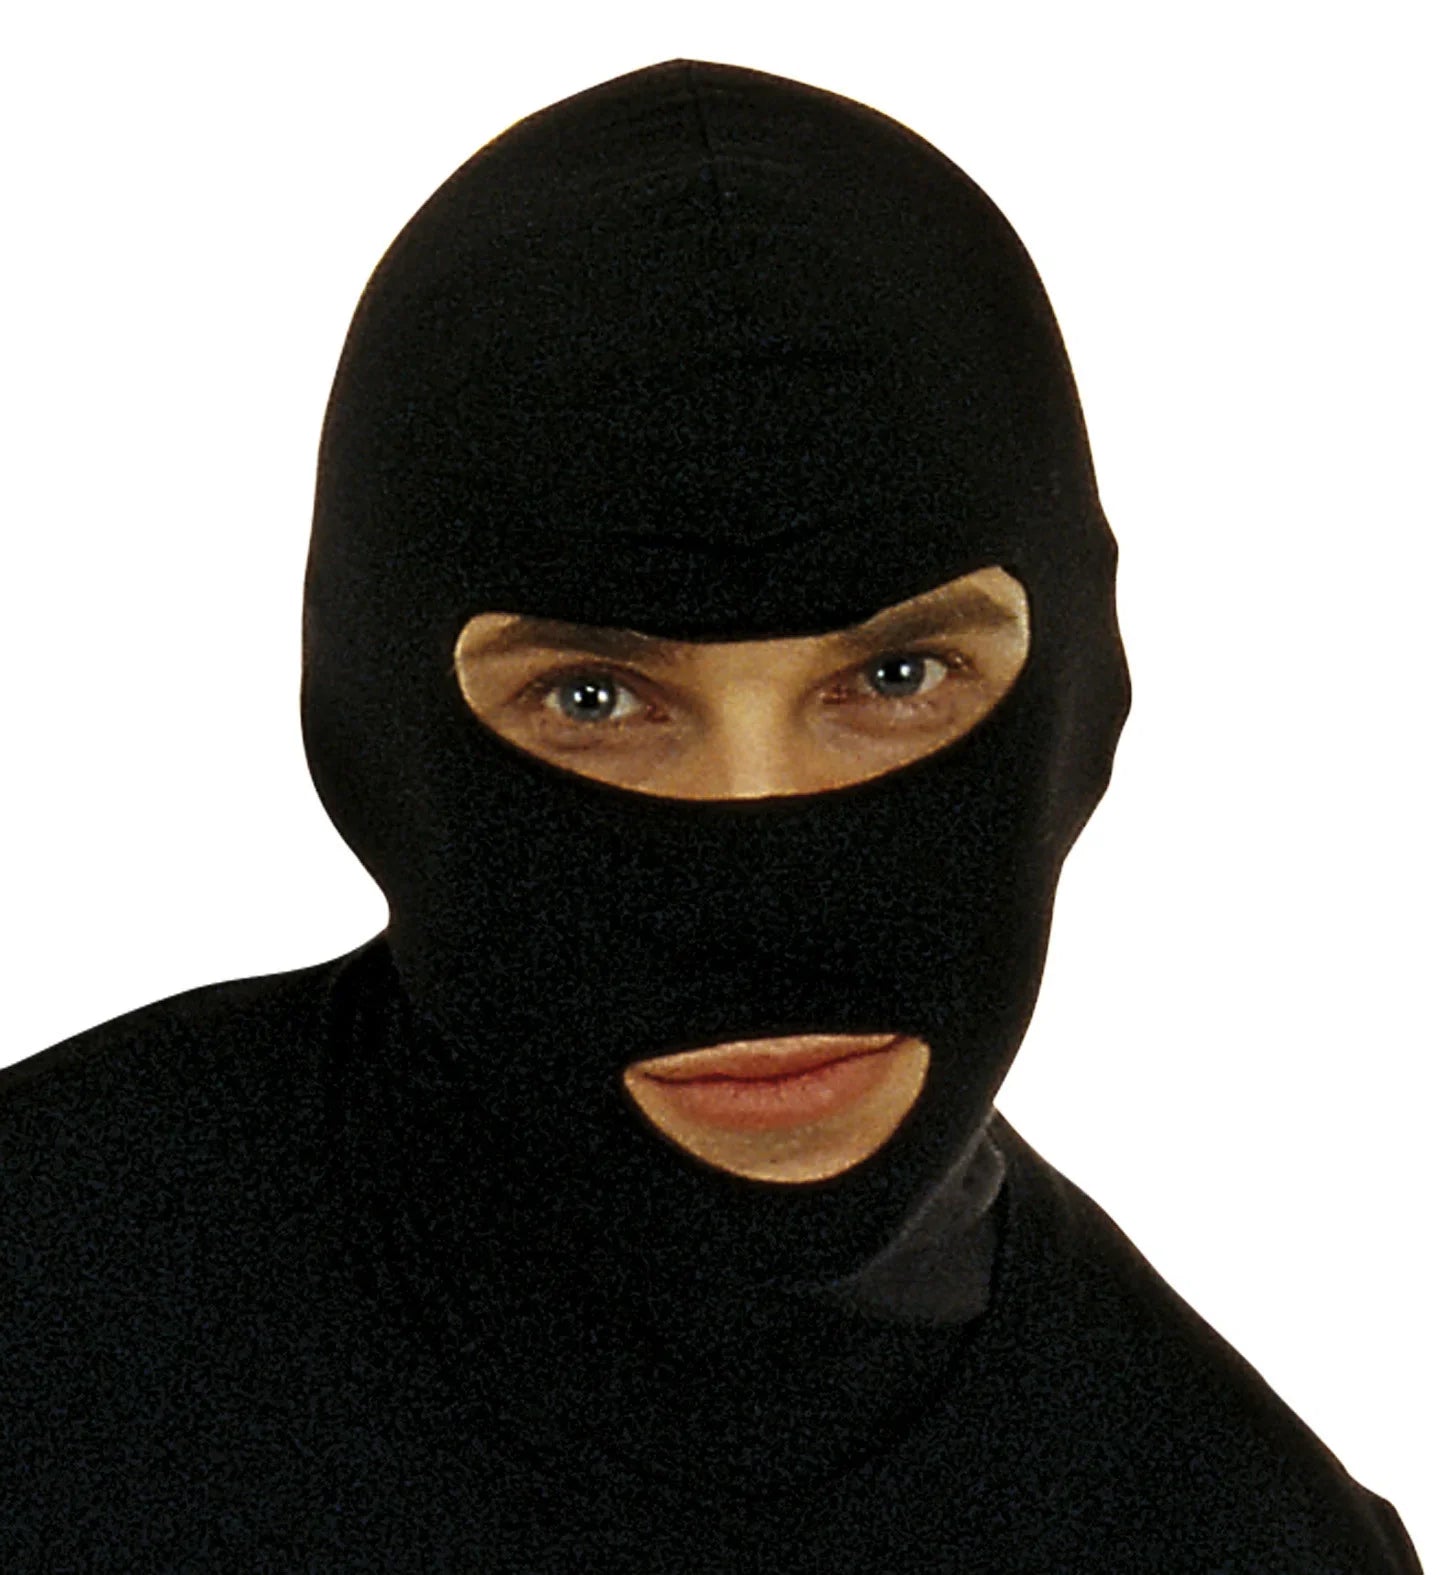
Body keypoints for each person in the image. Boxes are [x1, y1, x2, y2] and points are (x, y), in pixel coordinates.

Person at [1, 58, 1422, 1572]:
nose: (768, 909)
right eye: (596, 698)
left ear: (1082, 706)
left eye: (895, 676)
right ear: (374, 734)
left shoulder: (1234, 1534)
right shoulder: (43, 1303)